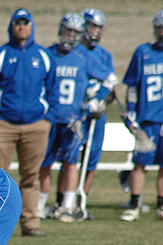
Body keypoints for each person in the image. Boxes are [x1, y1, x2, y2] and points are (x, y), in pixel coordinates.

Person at [0, 8, 58, 237]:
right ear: (11, 26)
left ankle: (31, 223)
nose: (21, 27)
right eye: (17, 23)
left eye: (25, 23)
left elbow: (53, 91)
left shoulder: (43, 56)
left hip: (36, 126)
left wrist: (48, 119)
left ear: (32, 26)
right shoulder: (0, 55)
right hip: (4, 125)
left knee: (31, 176)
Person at [36, 13, 116, 222]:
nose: (70, 35)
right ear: (61, 29)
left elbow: (110, 80)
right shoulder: (48, 53)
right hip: (49, 118)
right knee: (43, 163)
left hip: (74, 119)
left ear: (80, 34)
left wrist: (95, 101)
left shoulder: (84, 56)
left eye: (75, 32)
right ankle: (39, 205)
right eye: (67, 30)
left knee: (71, 163)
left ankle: (67, 206)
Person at [120, 9, 163, 222]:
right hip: (147, 118)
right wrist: (131, 109)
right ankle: (134, 205)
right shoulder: (143, 52)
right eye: (160, 27)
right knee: (140, 163)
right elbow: (132, 85)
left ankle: (162, 206)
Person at [76, 9, 116, 216]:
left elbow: (111, 87)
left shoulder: (103, 55)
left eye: (99, 27)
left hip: (96, 115)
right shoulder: (73, 51)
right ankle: (62, 200)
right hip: (75, 112)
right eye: (92, 26)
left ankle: (82, 199)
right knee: (69, 157)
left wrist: (100, 100)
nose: (96, 32)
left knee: (91, 157)